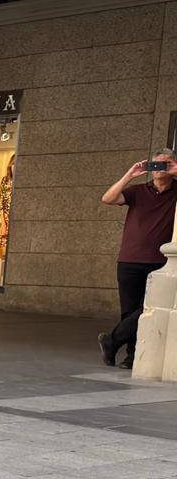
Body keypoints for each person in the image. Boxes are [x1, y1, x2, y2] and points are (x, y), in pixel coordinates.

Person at [99, 151, 177, 369]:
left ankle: (112, 341)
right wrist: (130, 174)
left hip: (160, 261)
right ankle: (132, 357)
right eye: (156, 164)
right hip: (130, 260)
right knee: (129, 311)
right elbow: (108, 198)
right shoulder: (138, 191)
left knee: (147, 308)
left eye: (166, 164)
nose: (160, 168)